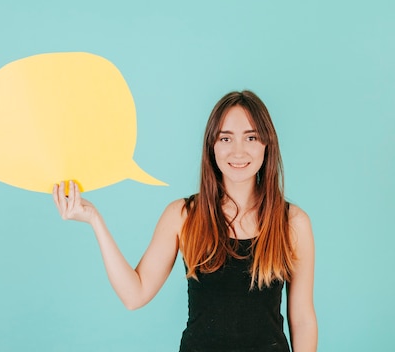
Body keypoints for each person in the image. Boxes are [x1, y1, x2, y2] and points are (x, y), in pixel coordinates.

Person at [52, 90, 317, 351]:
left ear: (266, 144)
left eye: (251, 137)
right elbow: (135, 294)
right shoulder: (183, 215)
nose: (238, 151)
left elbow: (303, 320)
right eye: (225, 138)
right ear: (211, 146)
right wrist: (95, 220)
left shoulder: (293, 223)